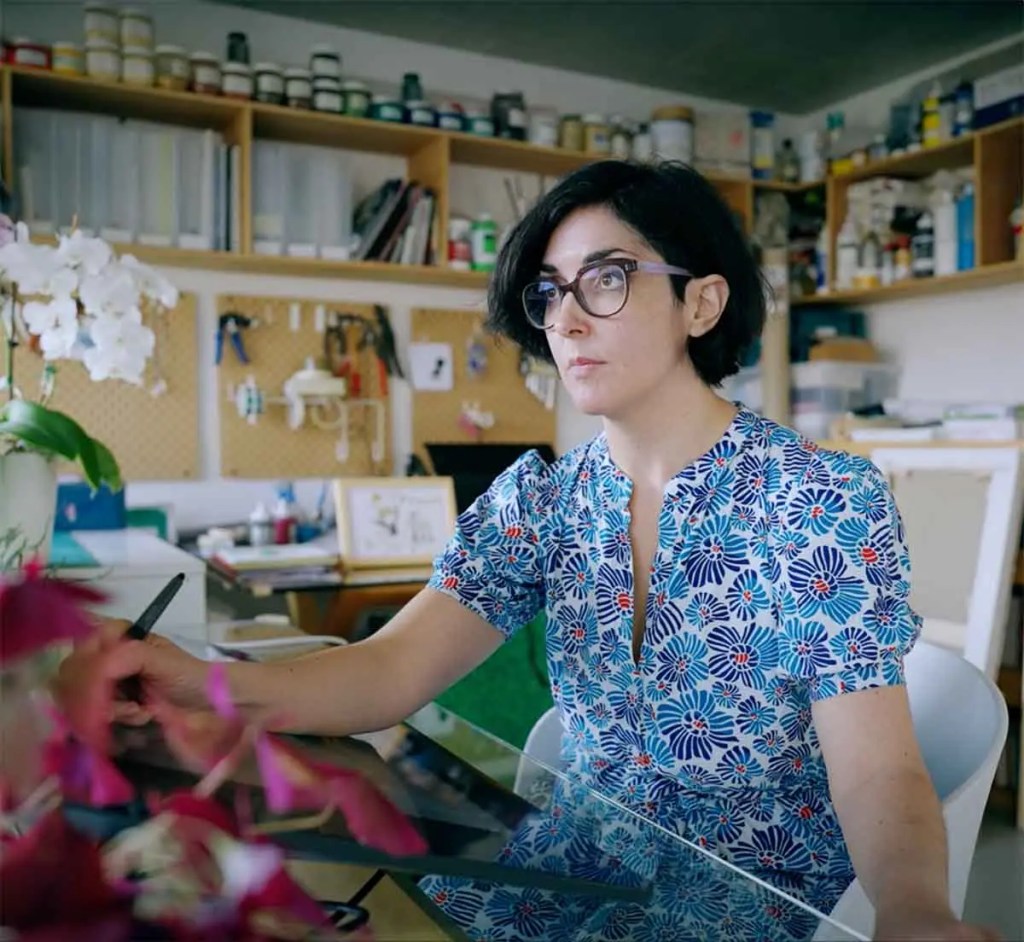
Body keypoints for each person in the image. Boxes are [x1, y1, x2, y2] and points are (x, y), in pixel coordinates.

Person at [83, 161, 998, 942]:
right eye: (552, 291)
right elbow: (390, 671)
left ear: (703, 301)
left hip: (743, 902)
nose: (565, 318)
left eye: (607, 277)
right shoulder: (542, 501)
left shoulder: (821, 501)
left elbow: (877, 765)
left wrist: (916, 912)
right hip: (567, 872)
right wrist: (194, 682)